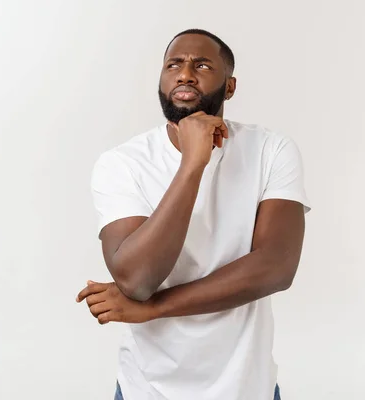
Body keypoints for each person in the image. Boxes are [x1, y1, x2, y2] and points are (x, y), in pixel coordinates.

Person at [76, 28, 311, 400]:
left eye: (202, 65)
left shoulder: (271, 150)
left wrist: (152, 308)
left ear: (230, 87)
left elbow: (277, 268)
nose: (185, 73)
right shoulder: (122, 164)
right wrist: (192, 164)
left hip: (248, 390)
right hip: (147, 390)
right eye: (174, 65)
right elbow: (136, 279)